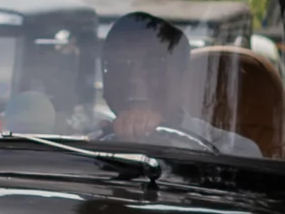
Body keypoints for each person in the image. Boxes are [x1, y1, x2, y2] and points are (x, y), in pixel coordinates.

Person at [94, 12, 260, 157]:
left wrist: (164, 141)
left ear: (183, 80)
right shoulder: (86, 151)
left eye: (153, 64)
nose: (134, 78)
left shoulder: (230, 150)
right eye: (119, 65)